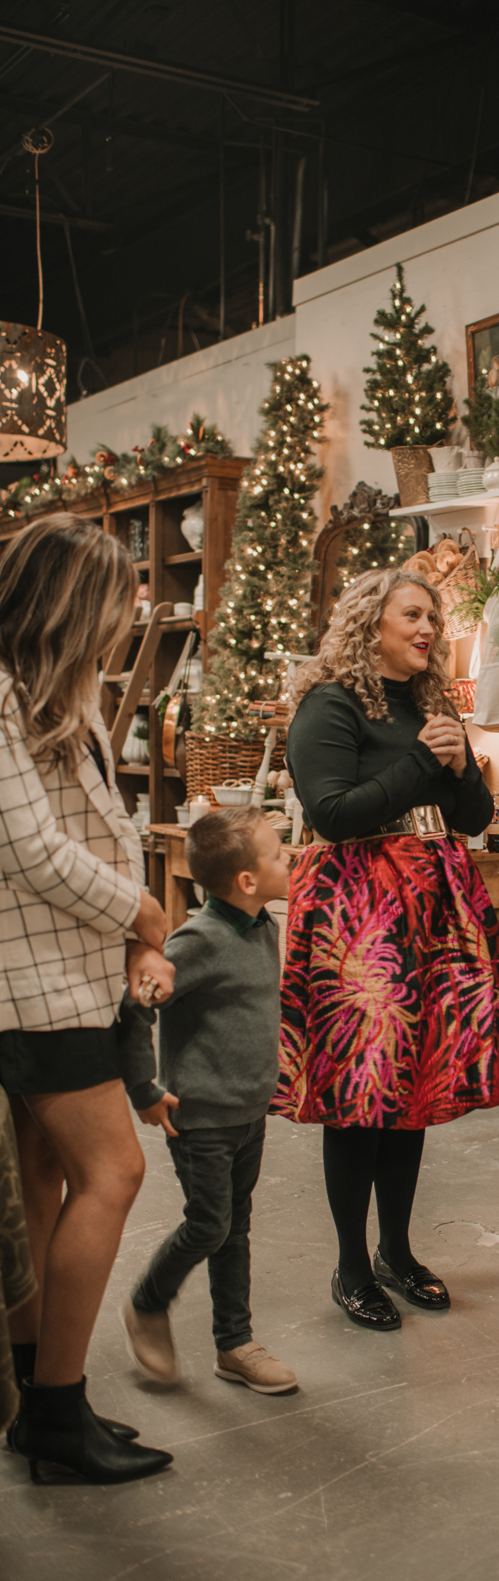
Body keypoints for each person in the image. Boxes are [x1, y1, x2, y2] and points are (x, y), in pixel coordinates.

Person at [272, 568, 499, 1329]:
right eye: (412, 615)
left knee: (410, 1091)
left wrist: (455, 768)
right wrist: (424, 761)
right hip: (357, 926)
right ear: (371, 621)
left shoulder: (426, 704)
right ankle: (351, 1265)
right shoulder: (329, 705)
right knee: (360, 1097)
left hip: (428, 912)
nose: (428, 629)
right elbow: (332, 814)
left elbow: (474, 813)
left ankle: (396, 1249)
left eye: (433, 617)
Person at [0, 514, 174, 1484]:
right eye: (114, 601)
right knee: (115, 1172)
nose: (126, 619)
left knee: (45, 1184)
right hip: (33, 983)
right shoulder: (0, 694)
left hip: (66, 973)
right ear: (68, 602)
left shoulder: (62, 693)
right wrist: (143, 910)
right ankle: (58, 1418)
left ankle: (39, 1403)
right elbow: (26, 846)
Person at [119, 806, 298, 1394]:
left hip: (249, 1114)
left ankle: (234, 1345)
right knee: (209, 1225)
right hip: (200, 1119)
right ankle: (148, 1302)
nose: (288, 857)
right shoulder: (199, 940)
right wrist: (145, 1087)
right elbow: (135, 1008)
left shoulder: (263, 925)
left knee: (233, 1227)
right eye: (277, 853)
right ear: (247, 881)